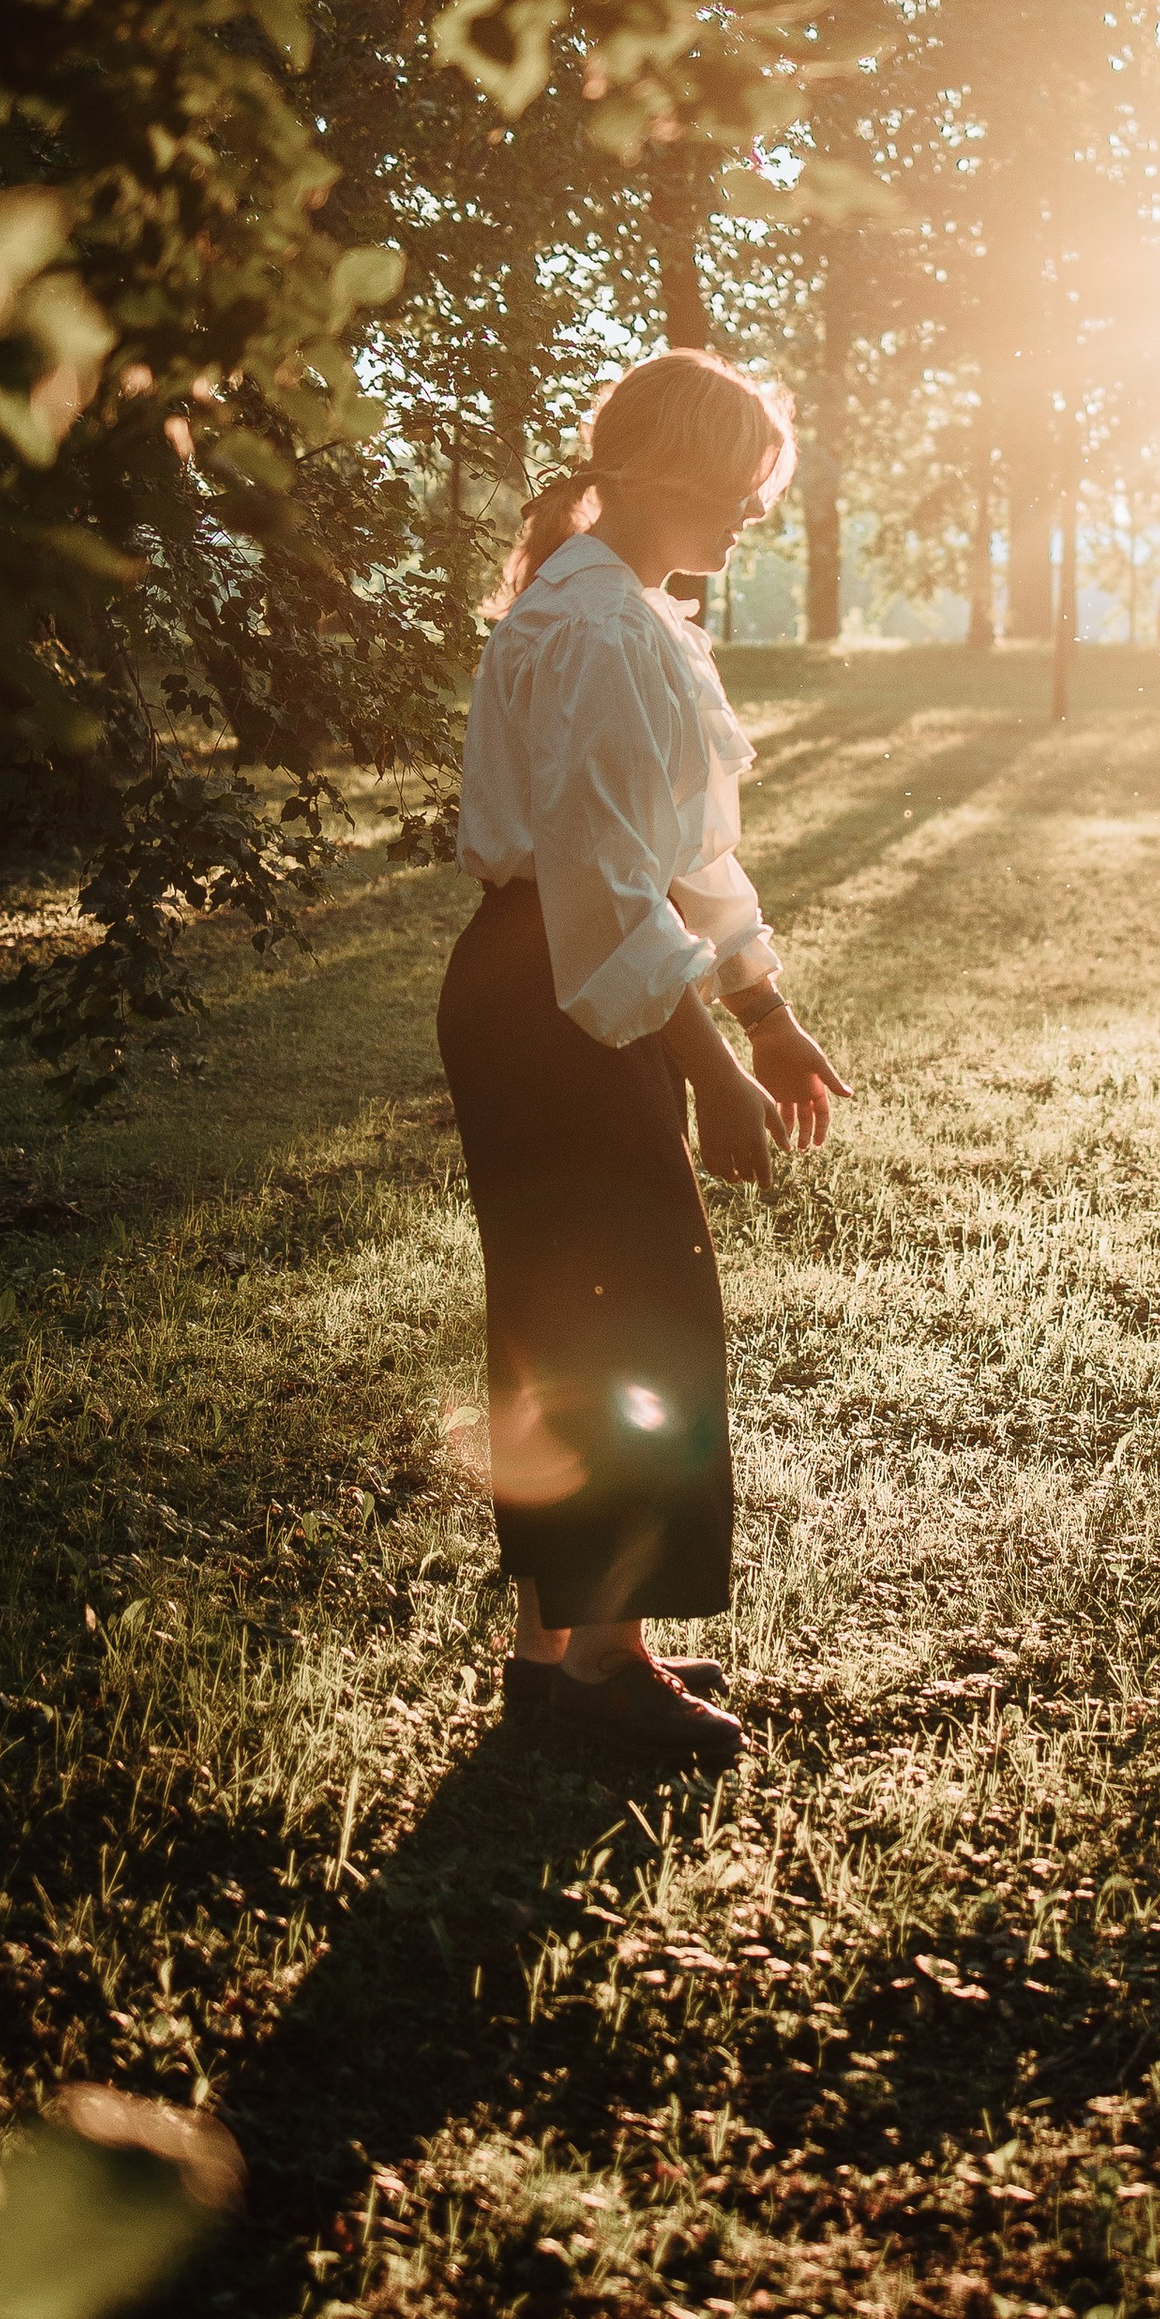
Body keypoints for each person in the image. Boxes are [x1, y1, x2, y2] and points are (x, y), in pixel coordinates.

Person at [438, 348, 848, 1775]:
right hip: (555, 989)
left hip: (545, 978)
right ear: (672, 475)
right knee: (628, 1304)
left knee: (570, 1300)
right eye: (740, 490)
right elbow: (608, 893)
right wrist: (716, 1068)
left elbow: (693, 855)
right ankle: (607, 1661)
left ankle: (552, 1654)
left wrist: (767, 1007)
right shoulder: (602, 629)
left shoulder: (630, 612)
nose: (752, 516)